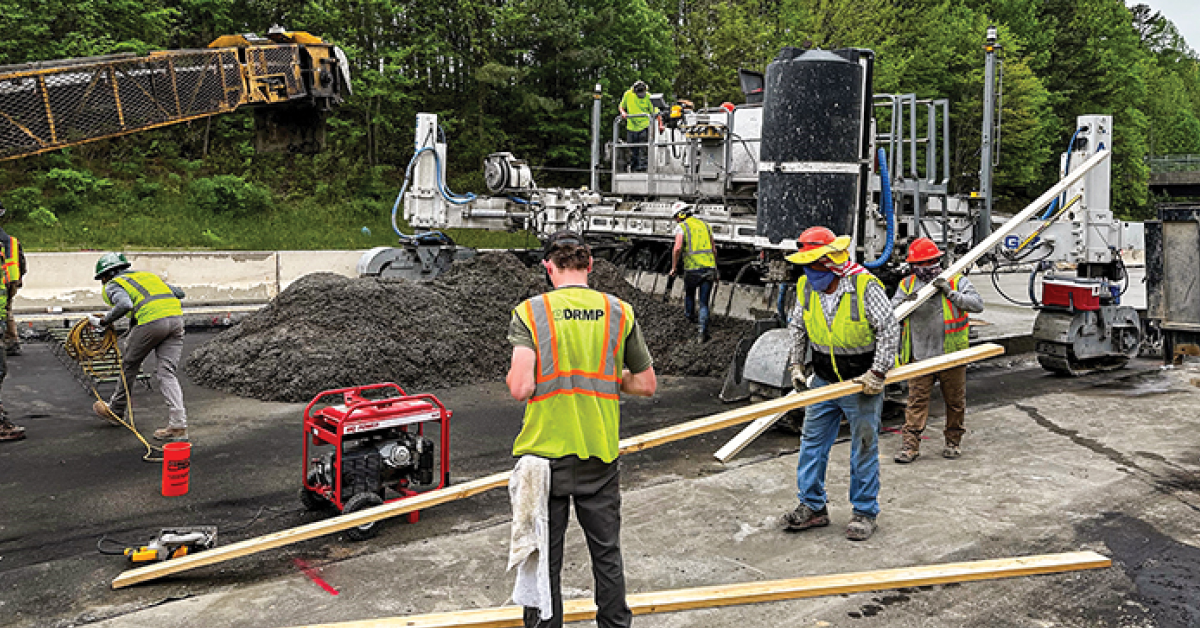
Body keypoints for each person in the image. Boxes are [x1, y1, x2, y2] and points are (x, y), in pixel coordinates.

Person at [506, 230, 657, 628]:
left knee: (544, 561)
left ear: (548, 267)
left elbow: (520, 387)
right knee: (606, 554)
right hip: (598, 453)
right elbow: (646, 383)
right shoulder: (618, 311)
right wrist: (609, 377)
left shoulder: (531, 312)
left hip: (544, 457)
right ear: (590, 265)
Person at [783, 226, 899, 541]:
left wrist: (877, 373)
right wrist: (796, 364)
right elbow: (797, 326)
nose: (809, 272)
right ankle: (812, 506)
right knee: (812, 443)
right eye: (806, 265)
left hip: (860, 381)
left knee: (863, 445)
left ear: (831, 262)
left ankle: (864, 512)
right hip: (823, 378)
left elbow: (889, 329)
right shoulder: (807, 286)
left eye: (814, 264)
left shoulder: (864, 286)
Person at [891, 237, 984, 463]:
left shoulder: (955, 281)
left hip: (951, 355)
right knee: (916, 401)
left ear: (936, 261)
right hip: (920, 356)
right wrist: (906, 303)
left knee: (955, 402)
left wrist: (950, 294)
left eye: (927, 263)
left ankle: (953, 441)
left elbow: (977, 304)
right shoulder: (907, 285)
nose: (923, 269)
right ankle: (910, 447)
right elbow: (892, 310)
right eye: (918, 265)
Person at [89, 252, 189, 441]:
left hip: (152, 322)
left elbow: (125, 304)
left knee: (129, 365)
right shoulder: (147, 277)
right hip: (176, 321)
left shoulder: (113, 284)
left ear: (105, 275)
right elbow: (179, 293)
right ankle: (178, 424)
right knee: (167, 372)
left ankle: (116, 410)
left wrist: (104, 322)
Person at [669, 201, 717, 343]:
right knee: (704, 302)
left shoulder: (682, 227)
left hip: (692, 269)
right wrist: (716, 270)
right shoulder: (705, 225)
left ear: (680, 215)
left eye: (675, 217)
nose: (676, 220)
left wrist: (674, 267)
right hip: (709, 269)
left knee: (689, 295)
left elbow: (677, 248)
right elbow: (714, 250)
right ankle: (702, 332)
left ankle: (689, 321)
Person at [0, 200, 26, 356]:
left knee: (3, 311)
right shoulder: (12, 241)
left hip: (2, 282)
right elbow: (22, 263)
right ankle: (11, 341)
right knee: (7, 310)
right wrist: (18, 279)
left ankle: (7, 342)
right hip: (12, 280)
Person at [618, 80, 662, 172]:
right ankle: (633, 167)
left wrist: (660, 125)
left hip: (644, 125)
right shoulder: (628, 95)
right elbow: (621, 106)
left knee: (643, 148)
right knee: (632, 148)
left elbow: (657, 112)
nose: (641, 95)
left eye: (643, 93)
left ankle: (643, 168)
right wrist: (623, 113)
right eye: (639, 93)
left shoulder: (649, 97)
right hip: (631, 126)